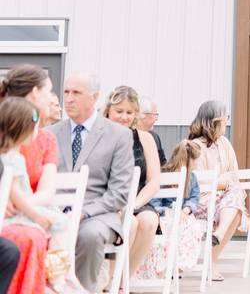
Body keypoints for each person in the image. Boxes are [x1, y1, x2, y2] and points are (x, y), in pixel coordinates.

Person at [46, 72, 135, 293]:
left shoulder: (119, 135)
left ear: (94, 97)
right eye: (66, 92)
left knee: (89, 234)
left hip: (97, 216)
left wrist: (83, 212)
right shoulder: (49, 133)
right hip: (53, 211)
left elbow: (119, 193)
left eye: (76, 92)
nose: (68, 98)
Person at [0, 97, 82, 293]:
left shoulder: (11, 156)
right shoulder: (12, 158)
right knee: (61, 224)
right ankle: (59, 275)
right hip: (19, 212)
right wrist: (35, 214)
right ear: (21, 129)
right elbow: (14, 193)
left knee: (61, 223)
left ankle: (61, 273)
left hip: (22, 208)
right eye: (34, 128)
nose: (37, 133)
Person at [0, 64, 61, 294]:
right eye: (49, 91)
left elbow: (47, 190)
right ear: (35, 92)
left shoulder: (45, 139)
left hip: (26, 211)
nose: (53, 98)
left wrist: (18, 205)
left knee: (32, 235)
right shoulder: (5, 127)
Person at [103, 85, 161, 277]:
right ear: (108, 111)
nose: (124, 116)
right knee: (131, 223)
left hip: (138, 199)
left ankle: (124, 279)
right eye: (119, 111)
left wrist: (134, 204)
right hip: (108, 200)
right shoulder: (99, 136)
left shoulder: (145, 138)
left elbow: (153, 182)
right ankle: (111, 280)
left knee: (149, 220)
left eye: (130, 112)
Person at [188, 100, 250, 280]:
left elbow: (234, 175)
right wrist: (219, 182)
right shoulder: (194, 146)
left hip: (224, 200)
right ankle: (213, 259)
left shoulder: (225, 144)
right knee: (235, 207)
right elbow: (194, 183)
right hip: (200, 201)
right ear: (213, 121)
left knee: (236, 198)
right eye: (225, 119)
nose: (227, 122)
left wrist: (225, 183)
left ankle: (216, 241)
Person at [137, 139, 205, 280]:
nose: (197, 163)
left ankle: (178, 264)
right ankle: (163, 264)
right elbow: (154, 202)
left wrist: (186, 210)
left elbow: (194, 198)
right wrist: (168, 212)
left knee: (190, 226)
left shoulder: (192, 178)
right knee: (170, 226)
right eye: (195, 160)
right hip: (164, 215)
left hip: (184, 215)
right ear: (188, 160)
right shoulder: (163, 175)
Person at [138, 96, 167, 166]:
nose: (156, 119)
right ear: (143, 115)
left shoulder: (155, 137)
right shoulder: (128, 137)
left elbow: (162, 163)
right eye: (155, 115)